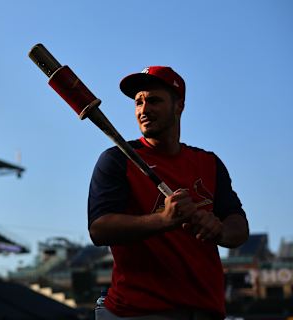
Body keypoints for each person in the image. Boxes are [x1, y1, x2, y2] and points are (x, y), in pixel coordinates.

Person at [88, 66, 249, 320]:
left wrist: (218, 229)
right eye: (138, 102)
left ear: (179, 106)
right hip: (138, 312)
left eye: (154, 100)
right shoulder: (116, 160)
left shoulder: (209, 163)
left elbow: (238, 226)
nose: (143, 109)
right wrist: (164, 219)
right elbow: (99, 229)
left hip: (206, 309)